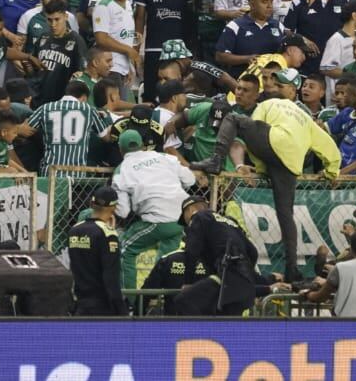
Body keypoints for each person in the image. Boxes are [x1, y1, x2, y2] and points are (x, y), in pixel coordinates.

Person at [192, 94, 340, 281]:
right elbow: (331, 149)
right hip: (291, 161)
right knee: (285, 213)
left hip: (273, 141)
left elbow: (256, 136)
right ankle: (291, 269)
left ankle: (216, 160)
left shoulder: (266, 105)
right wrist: (331, 172)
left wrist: (261, 169)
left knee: (233, 119)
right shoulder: (307, 120)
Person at [112, 128, 195, 289]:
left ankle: (129, 303)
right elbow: (190, 179)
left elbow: (123, 211)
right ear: (142, 145)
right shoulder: (162, 156)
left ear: (120, 149)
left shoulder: (122, 169)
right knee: (166, 262)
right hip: (182, 218)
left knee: (124, 249)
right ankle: (160, 299)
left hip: (158, 220)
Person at [175, 196, 265, 316]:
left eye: (185, 219)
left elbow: (192, 252)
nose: (186, 223)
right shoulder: (230, 221)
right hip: (244, 278)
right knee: (230, 317)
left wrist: (188, 282)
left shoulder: (199, 217)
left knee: (184, 300)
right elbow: (253, 252)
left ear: (190, 210)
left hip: (227, 277)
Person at [301, 229, 356, 317]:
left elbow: (321, 296)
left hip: (348, 323)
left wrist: (308, 294)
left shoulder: (341, 267)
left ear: (351, 248)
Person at [66, 186, 126, 316]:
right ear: (113, 208)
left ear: (92, 204)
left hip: (80, 304)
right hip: (102, 307)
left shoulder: (74, 230)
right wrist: (120, 309)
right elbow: (111, 275)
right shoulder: (108, 233)